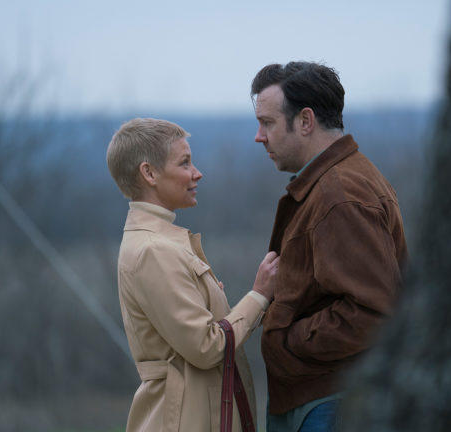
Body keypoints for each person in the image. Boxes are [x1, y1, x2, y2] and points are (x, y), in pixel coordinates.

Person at [250, 62, 408, 431]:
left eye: (267, 123)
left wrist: (286, 342)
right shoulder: (334, 182)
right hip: (323, 398)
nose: (259, 137)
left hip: (330, 403)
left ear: (305, 121)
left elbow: (372, 312)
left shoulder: (339, 194)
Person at [106, 118, 279, 432]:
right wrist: (259, 295)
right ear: (149, 173)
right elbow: (206, 347)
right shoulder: (154, 251)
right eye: (184, 162)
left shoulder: (161, 244)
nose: (197, 173)